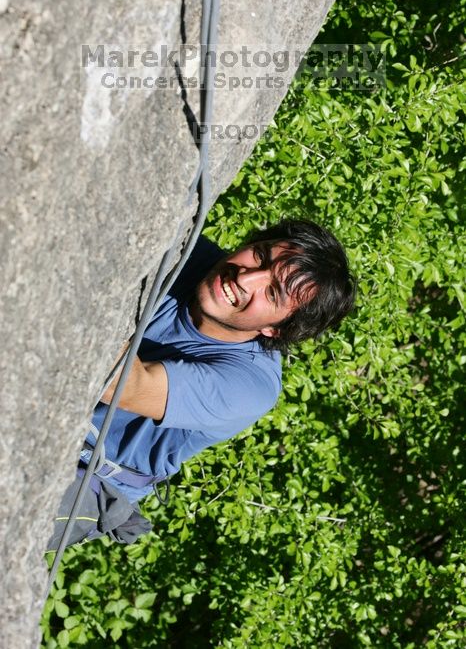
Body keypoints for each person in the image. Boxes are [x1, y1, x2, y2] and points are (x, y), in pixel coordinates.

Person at [47, 218, 356, 551]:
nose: (245, 278)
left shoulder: (249, 386)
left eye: (272, 292)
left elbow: (120, 384)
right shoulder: (188, 252)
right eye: (261, 257)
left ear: (276, 330)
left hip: (93, 475)